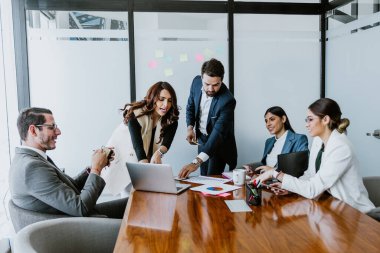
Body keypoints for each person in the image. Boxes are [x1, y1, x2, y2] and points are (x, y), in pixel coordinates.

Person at [253, 98, 375, 214]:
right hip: (329, 206)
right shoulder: (318, 140)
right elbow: (310, 175)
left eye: (310, 119)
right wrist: (290, 187)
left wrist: (275, 173)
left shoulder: (341, 147)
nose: (307, 124)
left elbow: (313, 189)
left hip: (354, 213)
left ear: (325, 119)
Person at [9, 107, 128, 218]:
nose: (58, 132)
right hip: (78, 227)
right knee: (138, 205)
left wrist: (92, 168)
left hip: (72, 221)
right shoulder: (32, 168)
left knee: (134, 201)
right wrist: (96, 169)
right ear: (33, 130)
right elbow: (81, 208)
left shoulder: (30, 159)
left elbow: (70, 189)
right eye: (51, 127)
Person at [101, 81, 179, 195]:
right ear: (153, 98)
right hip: (126, 158)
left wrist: (159, 153)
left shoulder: (171, 119)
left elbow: (167, 143)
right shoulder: (135, 113)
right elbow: (137, 146)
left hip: (144, 160)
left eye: (170, 100)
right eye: (161, 99)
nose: (166, 104)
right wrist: (145, 171)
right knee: (128, 198)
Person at [178, 58, 237, 178]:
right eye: (207, 84)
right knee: (202, 177)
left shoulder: (228, 101)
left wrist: (195, 162)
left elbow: (218, 133)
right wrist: (190, 128)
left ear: (221, 81)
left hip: (218, 144)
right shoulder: (195, 82)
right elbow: (190, 107)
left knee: (211, 180)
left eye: (216, 85)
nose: (210, 89)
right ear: (201, 78)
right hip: (202, 139)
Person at [243, 106, 309, 176]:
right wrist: (253, 171)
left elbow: (302, 168)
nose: (268, 124)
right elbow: (265, 165)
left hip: (283, 184)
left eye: (272, 119)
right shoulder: (269, 142)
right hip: (267, 182)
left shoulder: (299, 139)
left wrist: (273, 171)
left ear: (283, 119)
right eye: (266, 121)